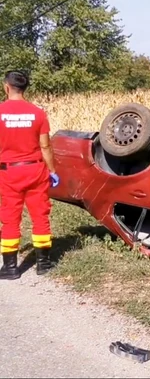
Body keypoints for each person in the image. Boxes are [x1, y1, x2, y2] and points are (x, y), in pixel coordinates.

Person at [0, 71, 59, 281]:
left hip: (8, 172)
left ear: (6, 86)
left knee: (9, 219)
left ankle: (10, 267)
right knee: (40, 216)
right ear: (25, 88)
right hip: (35, 170)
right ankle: (43, 264)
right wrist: (52, 170)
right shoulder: (38, 113)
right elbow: (45, 145)